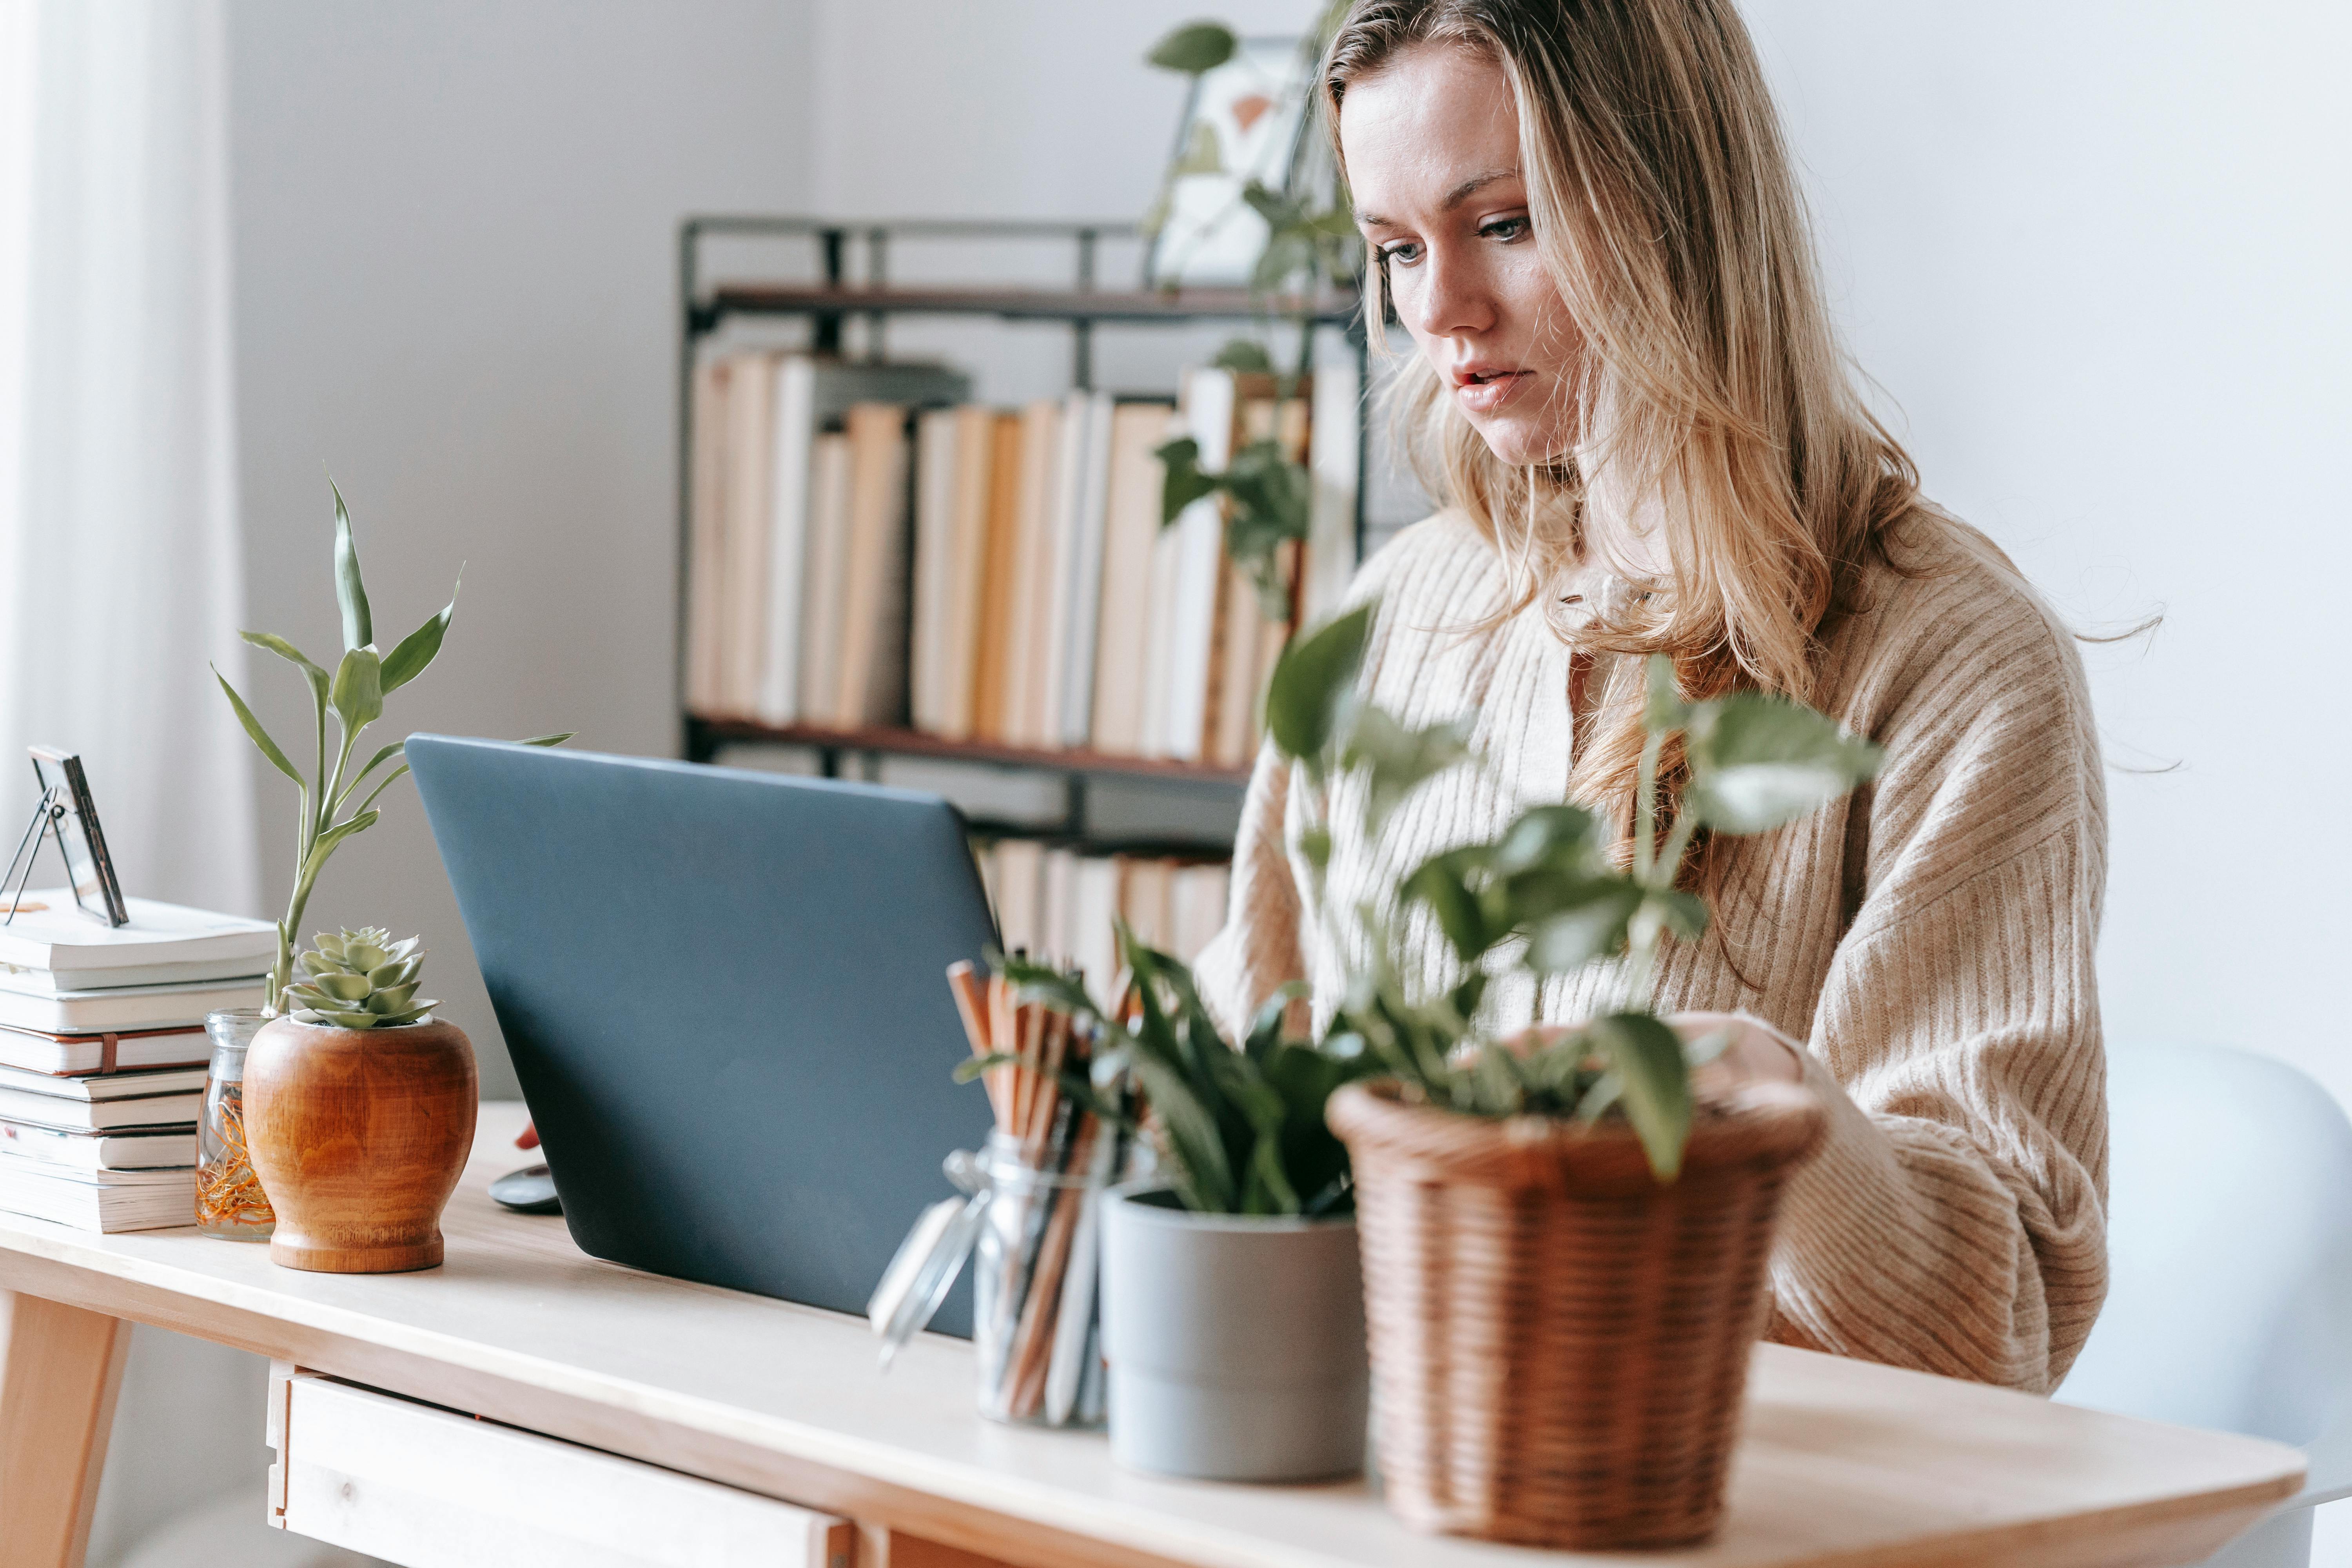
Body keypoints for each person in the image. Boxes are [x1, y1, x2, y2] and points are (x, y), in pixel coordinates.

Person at [1194, 0, 2107, 1395]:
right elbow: (1253, 1071)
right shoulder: (1397, 613)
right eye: (1393, 251)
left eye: (1504, 223)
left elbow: (2003, 1320)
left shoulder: (1953, 669)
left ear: (1675, 197)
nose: (1436, 310)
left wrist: (1778, 1111)